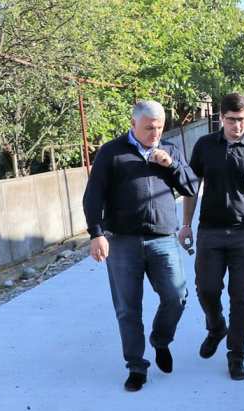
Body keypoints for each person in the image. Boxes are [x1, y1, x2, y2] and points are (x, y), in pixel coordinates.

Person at [82, 100, 198, 392]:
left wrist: (171, 165)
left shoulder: (170, 150)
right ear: (133, 124)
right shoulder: (112, 152)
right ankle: (136, 366)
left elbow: (191, 188)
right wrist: (96, 234)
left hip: (162, 239)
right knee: (127, 308)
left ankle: (160, 339)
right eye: (149, 128)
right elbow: (93, 195)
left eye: (159, 127)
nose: (155, 133)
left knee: (177, 296)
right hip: (122, 241)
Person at [178, 93, 244, 381]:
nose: (238, 125)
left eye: (243, 120)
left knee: (241, 296)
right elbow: (191, 187)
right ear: (221, 118)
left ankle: (236, 355)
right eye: (232, 120)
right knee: (206, 288)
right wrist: (186, 224)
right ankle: (216, 327)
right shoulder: (205, 146)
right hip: (210, 231)